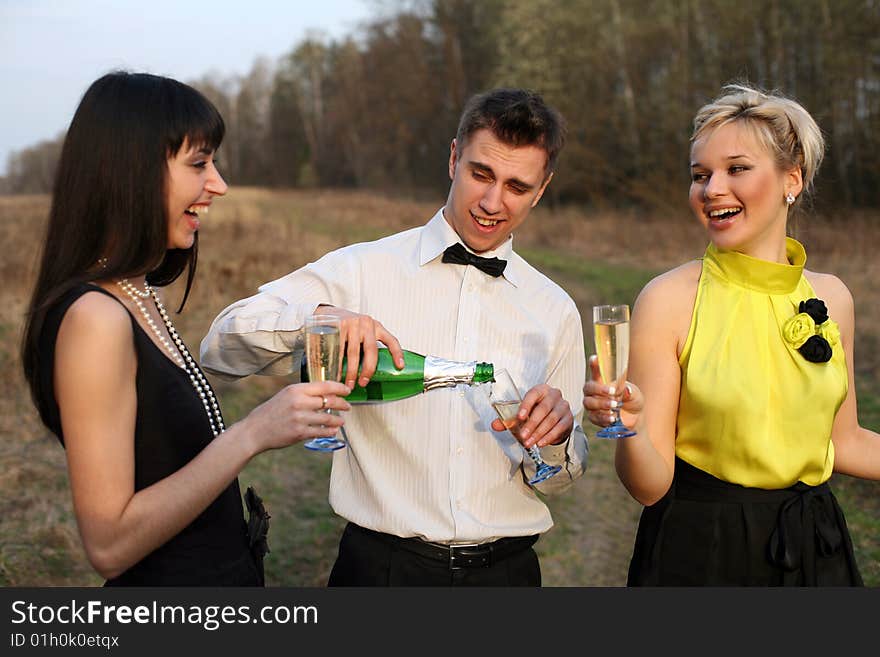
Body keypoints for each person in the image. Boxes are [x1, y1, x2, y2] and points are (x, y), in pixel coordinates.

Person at [200, 88, 589, 586]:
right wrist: (319, 318)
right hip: (379, 571)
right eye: (481, 174)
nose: (493, 202)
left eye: (517, 186)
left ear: (542, 189)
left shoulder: (553, 307)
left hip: (508, 576)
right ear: (453, 158)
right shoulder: (360, 270)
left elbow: (560, 479)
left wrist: (555, 442)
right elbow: (221, 346)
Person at [20, 71, 351, 587]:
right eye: (199, 163)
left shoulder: (137, 294)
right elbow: (108, 545)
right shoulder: (94, 319)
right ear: (131, 172)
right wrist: (252, 433)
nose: (218, 184)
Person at [583, 83, 879, 586]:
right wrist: (629, 428)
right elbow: (649, 487)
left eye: (736, 169)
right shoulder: (669, 299)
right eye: (700, 175)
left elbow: (844, 442)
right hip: (702, 551)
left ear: (793, 178)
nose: (712, 188)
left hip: (815, 549)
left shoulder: (834, 299)